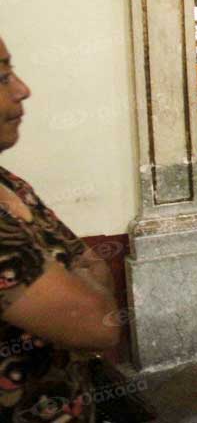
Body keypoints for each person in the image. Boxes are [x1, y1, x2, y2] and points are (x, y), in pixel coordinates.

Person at [0, 36, 122, 422]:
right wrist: (75, 281)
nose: (23, 89)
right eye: (3, 76)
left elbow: (94, 263)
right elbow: (96, 324)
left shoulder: (11, 185)